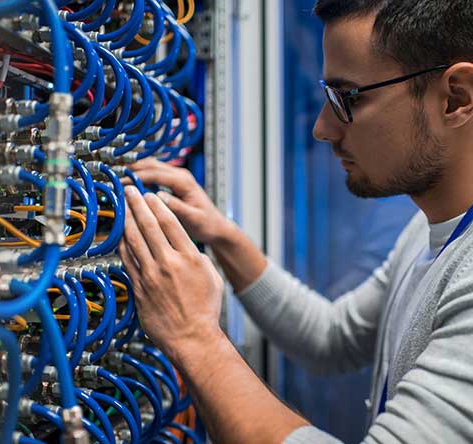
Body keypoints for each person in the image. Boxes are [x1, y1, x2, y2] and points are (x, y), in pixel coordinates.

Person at [118, 0, 473, 442]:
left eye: (347, 98)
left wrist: (195, 336)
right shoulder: (426, 230)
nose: (322, 128)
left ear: (457, 98)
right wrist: (221, 235)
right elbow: (332, 338)